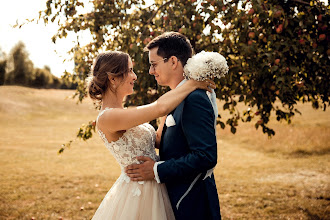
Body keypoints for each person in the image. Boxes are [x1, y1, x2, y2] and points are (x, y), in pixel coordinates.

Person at [88, 50, 215, 220]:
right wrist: (192, 84)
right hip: (138, 193)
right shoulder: (107, 117)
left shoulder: (124, 114)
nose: (135, 77)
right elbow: (159, 108)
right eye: (130, 70)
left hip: (156, 184)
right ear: (113, 78)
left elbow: (157, 139)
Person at [126, 32, 222, 220]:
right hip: (176, 199)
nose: (150, 71)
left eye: (154, 64)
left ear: (173, 61)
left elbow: (206, 156)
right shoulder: (177, 98)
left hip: (192, 203)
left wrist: (156, 170)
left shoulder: (194, 99)